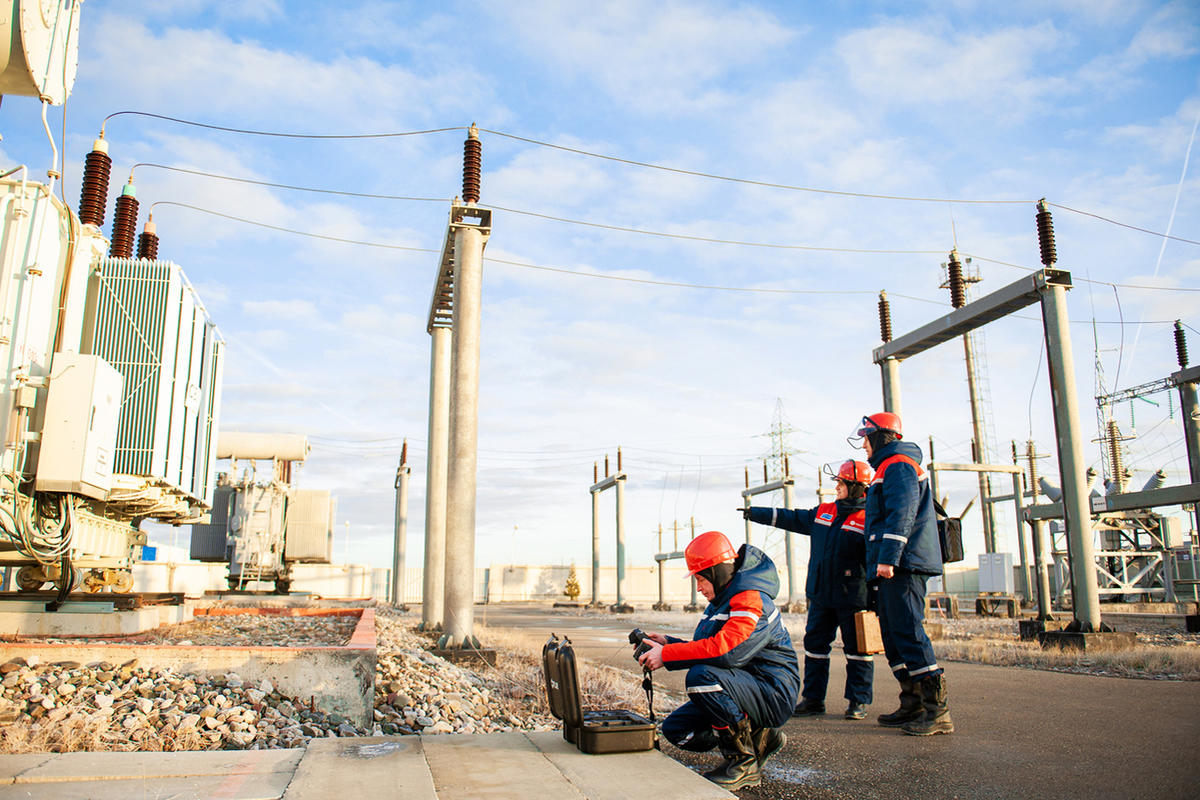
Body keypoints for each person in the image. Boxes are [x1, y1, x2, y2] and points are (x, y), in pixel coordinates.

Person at [636, 530, 801, 791]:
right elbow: (710, 647)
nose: (699, 588)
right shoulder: (723, 600)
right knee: (677, 730)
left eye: (701, 579)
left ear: (717, 573)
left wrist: (666, 656)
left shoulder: (750, 600)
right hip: (745, 686)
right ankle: (760, 738)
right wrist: (668, 643)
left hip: (773, 691)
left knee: (702, 678)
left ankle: (743, 763)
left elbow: (726, 652)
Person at [740, 459, 875, 720]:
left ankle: (858, 701)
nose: (837, 486)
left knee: (858, 650)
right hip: (821, 595)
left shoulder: (869, 519)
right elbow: (793, 518)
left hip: (853, 598)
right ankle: (813, 699)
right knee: (815, 647)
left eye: (841, 482)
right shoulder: (825, 512)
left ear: (858, 487)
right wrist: (756, 513)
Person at [849, 412, 954, 736]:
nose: (863, 445)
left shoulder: (898, 465)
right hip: (894, 565)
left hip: (903, 565)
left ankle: (937, 711)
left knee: (908, 631)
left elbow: (902, 513)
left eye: (867, 438)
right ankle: (913, 702)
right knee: (894, 635)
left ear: (881, 437)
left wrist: (889, 557)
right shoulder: (888, 466)